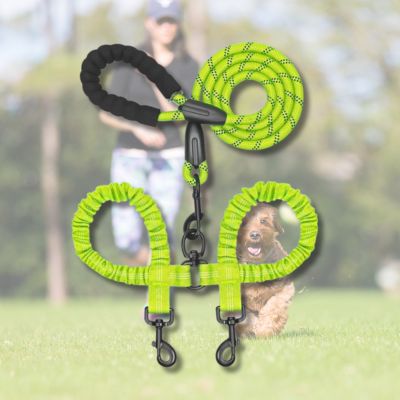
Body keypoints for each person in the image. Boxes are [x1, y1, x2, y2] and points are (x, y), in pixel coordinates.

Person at [99, 0, 199, 266]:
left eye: (171, 21)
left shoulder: (188, 66)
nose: (166, 27)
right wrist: (137, 128)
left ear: (178, 24)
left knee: (161, 233)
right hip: (129, 156)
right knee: (127, 239)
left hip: (169, 156)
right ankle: (146, 264)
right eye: (160, 21)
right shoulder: (126, 63)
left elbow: (181, 115)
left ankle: (157, 283)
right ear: (149, 23)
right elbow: (106, 113)